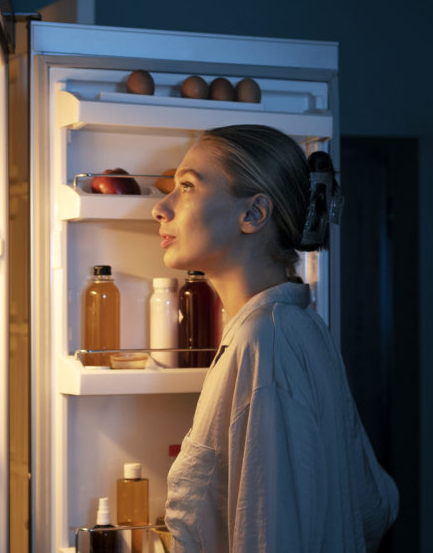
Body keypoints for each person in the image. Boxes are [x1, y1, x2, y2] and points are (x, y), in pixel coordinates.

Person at [152, 124, 399, 552]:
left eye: (187, 186)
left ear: (253, 214)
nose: (161, 207)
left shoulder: (262, 344)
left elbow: (268, 533)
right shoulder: (300, 326)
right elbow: (374, 504)